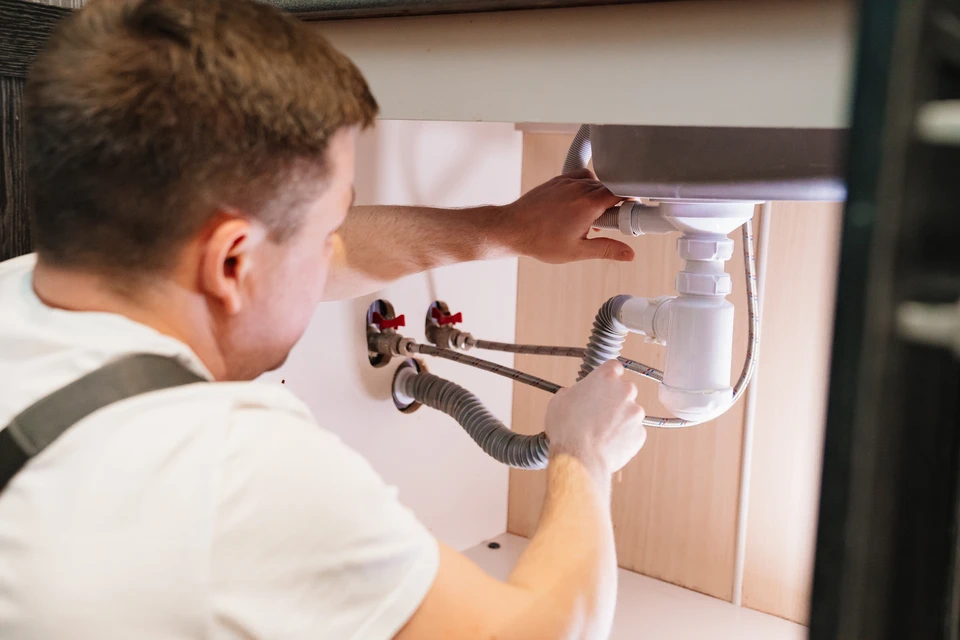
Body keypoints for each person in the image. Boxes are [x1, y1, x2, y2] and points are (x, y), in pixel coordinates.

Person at [0, 0, 648, 638]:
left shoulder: (27, 290)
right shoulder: (235, 465)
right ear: (231, 262)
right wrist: (582, 453)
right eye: (329, 227)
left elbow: (285, 261)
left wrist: (506, 229)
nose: (334, 251)